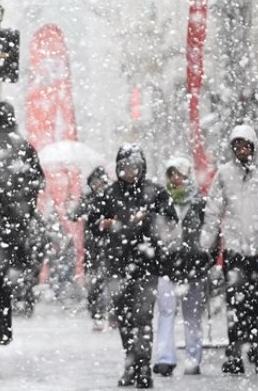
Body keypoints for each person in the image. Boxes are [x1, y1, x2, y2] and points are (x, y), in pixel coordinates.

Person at [198, 123, 258, 375]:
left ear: (254, 146)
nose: (242, 150)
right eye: (237, 146)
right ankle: (235, 354)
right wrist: (207, 239)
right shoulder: (224, 174)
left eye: (245, 145)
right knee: (236, 305)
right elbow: (213, 209)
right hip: (235, 249)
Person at [90, 145, 175, 388]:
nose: (130, 172)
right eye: (125, 167)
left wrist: (148, 218)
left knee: (143, 317)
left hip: (147, 265)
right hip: (117, 266)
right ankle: (132, 365)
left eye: (135, 167)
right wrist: (104, 224)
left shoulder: (155, 192)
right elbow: (93, 223)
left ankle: (143, 367)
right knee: (124, 319)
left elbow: (170, 220)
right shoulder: (110, 193)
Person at [0, 101, 46, 326]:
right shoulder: (24, 147)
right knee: (18, 261)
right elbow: (39, 181)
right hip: (19, 220)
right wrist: (24, 206)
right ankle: (21, 300)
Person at [152, 156, 208, 377]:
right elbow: (154, 231)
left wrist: (207, 257)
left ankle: (193, 360)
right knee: (166, 312)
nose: (176, 178)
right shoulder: (162, 201)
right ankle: (165, 358)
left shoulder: (199, 204)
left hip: (194, 265)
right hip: (167, 265)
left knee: (192, 316)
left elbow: (211, 232)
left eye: (180, 173)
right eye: (172, 174)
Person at [70, 166, 115, 332]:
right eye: (95, 182)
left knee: (112, 282)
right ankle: (97, 316)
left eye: (100, 182)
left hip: (112, 246)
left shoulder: (112, 197)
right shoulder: (88, 199)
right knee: (95, 285)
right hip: (93, 248)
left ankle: (113, 314)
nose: (98, 185)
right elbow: (74, 215)